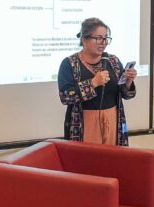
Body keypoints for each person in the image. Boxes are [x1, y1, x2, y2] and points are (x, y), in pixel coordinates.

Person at [58, 17, 137, 146]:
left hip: (113, 119)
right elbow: (65, 97)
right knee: (88, 157)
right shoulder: (69, 63)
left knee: (113, 156)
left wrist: (128, 82)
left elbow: (126, 94)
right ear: (84, 39)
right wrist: (93, 83)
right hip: (84, 122)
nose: (103, 42)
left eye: (106, 38)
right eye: (98, 38)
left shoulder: (113, 61)